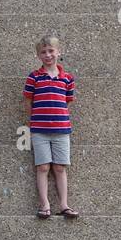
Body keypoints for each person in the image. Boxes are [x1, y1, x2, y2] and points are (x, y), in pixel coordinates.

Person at [23, 36, 79, 219]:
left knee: (60, 167)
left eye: (51, 51)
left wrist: (58, 118)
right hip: (40, 130)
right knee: (43, 167)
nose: (47, 55)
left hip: (62, 130)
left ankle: (64, 204)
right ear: (38, 56)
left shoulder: (67, 79)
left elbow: (67, 102)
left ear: (58, 52)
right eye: (43, 52)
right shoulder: (34, 77)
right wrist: (34, 121)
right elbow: (28, 101)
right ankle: (44, 204)